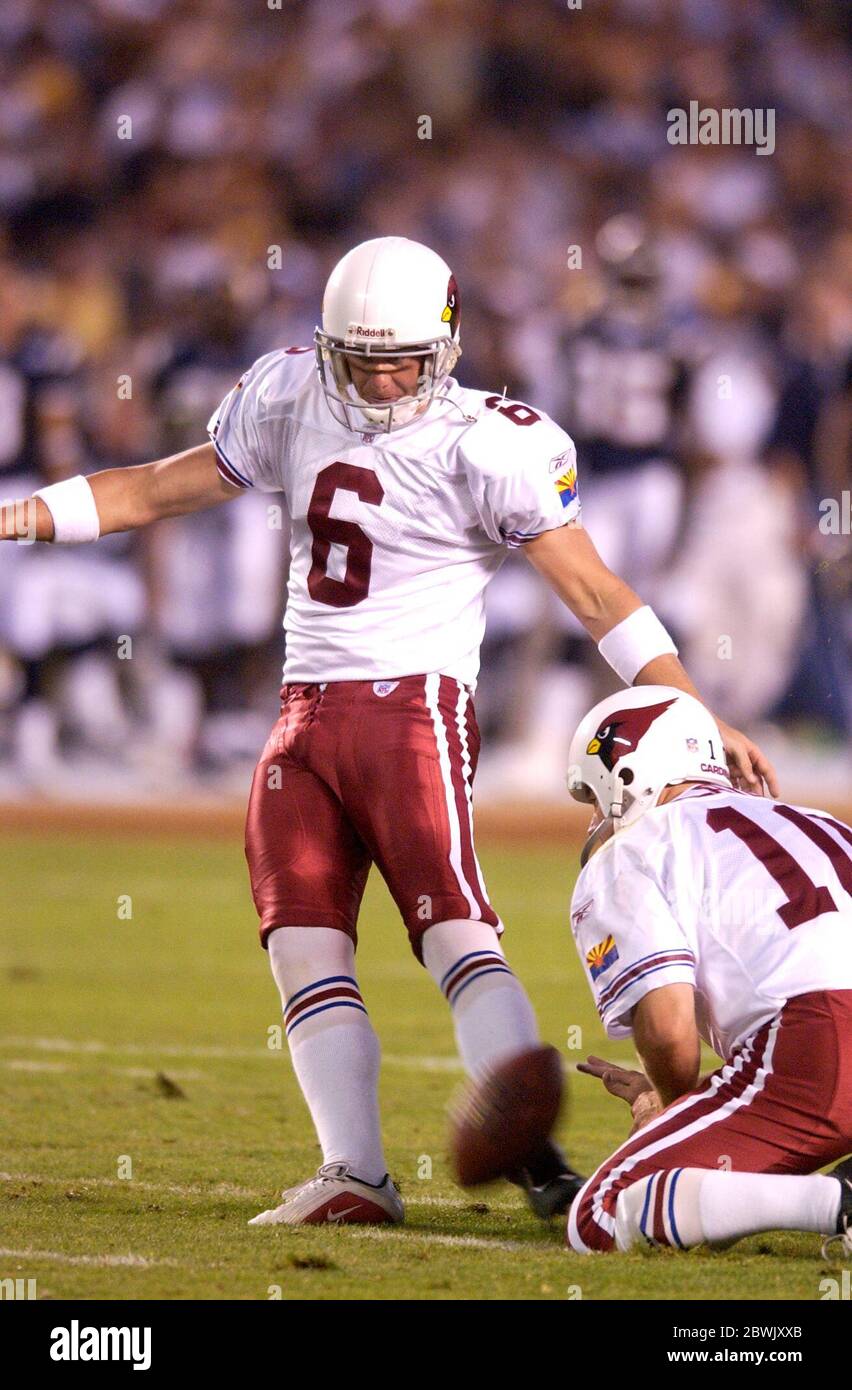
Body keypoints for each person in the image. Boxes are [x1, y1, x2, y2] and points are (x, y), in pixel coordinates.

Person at [1, 236, 777, 1228]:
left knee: (453, 930)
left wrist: (691, 709)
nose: (376, 379)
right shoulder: (286, 395)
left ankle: (533, 1150)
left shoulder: (488, 441)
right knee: (301, 944)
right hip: (299, 718)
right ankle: (355, 1172)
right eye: (359, 358)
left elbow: (594, 593)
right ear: (326, 345)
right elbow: (152, 486)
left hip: (411, 708)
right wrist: (17, 514)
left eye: (398, 358)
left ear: (446, 343)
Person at [562, 684, 851, 1257]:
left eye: (594, 796)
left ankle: (834, 1204)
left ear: (627, 776)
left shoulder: (637, 846)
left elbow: (670, 1031)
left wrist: (664, 1109)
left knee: (601, 1213)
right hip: (825, 1028)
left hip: (823, 1040)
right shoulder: (819, 819)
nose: (596, 816)